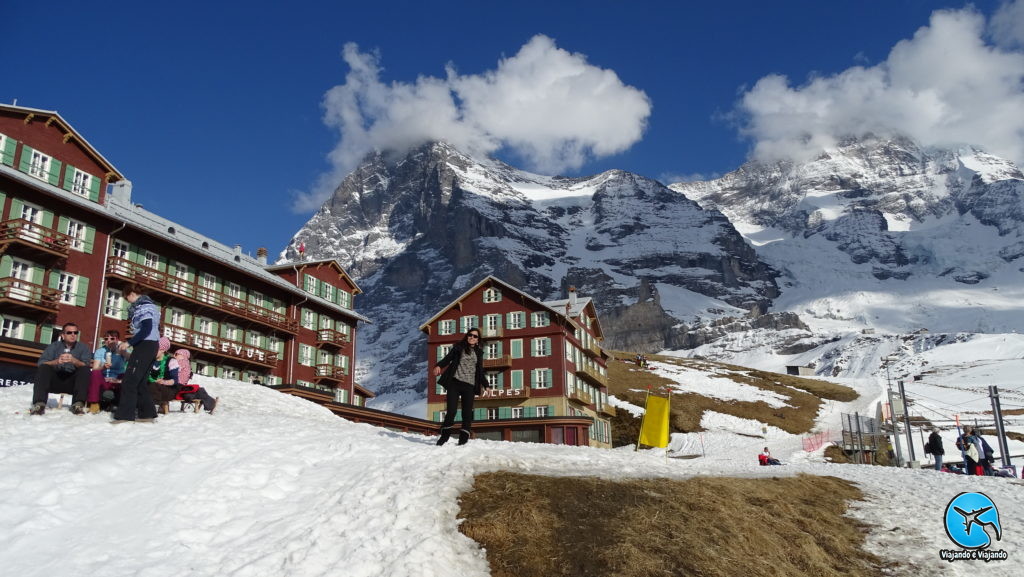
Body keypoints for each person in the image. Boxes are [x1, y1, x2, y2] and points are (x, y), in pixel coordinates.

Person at [112, 284, 161, 423]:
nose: (127, 301)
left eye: (126, 297)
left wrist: (129, 343)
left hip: (145, 345)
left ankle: (125, 416)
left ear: (132, 294)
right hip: (150, 345)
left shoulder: (144, 307)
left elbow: (146, 329)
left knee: (130, 380)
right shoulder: (151, 306)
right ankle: (147, 414)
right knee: (140, 382)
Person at [433, 328, 487, 446]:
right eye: (470, 335)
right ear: (467, 336)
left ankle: (463, 441)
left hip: (469, 386)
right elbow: (448, 358)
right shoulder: (459, 348)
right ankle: (444, 437)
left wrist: (486, 385)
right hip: (455, 383)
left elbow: (480, 370)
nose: (472, 337)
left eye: (475, 336)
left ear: (478, 340)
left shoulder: (479, 353)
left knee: (467, 413)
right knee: (451, 411)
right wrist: (438, 366)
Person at [30, 322, 93, 415]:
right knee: (44, 368)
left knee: (84, 369)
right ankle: (39, 404)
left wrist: (74, 361)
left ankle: (77, 404)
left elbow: (87, 365)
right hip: (55, 379)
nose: (73, 335)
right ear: (63, 335)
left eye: (75, 333)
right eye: (69, 333)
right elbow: (41, 363)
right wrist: (56, 362)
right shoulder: (54, 346)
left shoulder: (83, 348)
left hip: (73, 382)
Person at [88, 330, 129, 413]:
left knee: (126, 376)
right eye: (106, 339)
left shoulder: (121, 350)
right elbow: (95, 368)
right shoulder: (100, 351)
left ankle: (122, 405)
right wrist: (103, 367)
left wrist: (123, 352)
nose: (108, 341)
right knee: (95, 373)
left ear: (117, 340)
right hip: (104, 379)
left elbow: (132, 359)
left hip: (117, 379)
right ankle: (94, 404)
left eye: (112, 338)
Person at [171, 349, 218, 413]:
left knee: (190, 394)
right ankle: (209, 400)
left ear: (183, 355)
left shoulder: (182, 361)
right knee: (193, 393)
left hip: (177, 385)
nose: (174, 355)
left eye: (176, 354)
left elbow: (173, 371)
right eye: (174, 354)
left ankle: (208, 400)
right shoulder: (186, 362)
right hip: (180, 385)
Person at [148, 337, 177, 414]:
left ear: (163, 350)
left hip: (168, 390)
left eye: (155, 349)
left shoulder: (171, 361)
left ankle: (153, 408)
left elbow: (175, 380)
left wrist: (164, 382)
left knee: (153, 385)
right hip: (152, 386)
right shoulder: (150, 360)